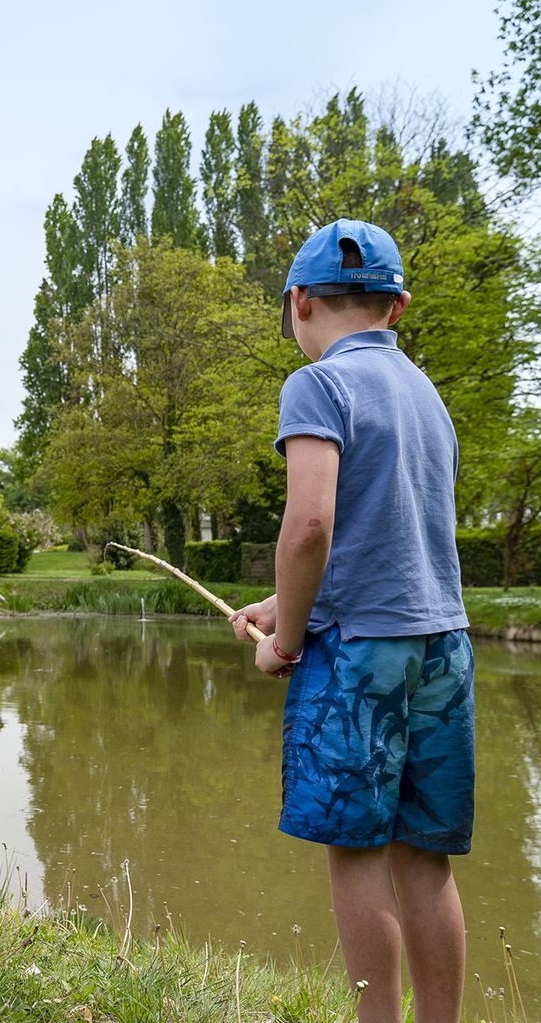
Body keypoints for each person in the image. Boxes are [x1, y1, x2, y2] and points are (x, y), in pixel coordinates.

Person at [229, 220, 473, 1023]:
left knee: (358, 853)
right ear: (397, 307)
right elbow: (388, 538)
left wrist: (286, 640)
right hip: (442, 645)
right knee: (425, 861)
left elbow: (311, 526)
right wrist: (284, 602)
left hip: (359, 656)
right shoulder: (427, 396)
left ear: (299, 301)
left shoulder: (319, 384)